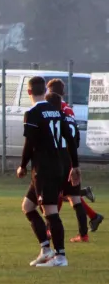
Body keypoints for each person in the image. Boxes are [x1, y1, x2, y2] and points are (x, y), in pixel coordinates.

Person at [18, 77, 81, 267]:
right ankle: (46, 249)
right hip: (58, 166)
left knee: (50, 211)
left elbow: (29, 143)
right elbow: (70, 139)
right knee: (28, 207)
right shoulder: (56, 110)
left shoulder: (33, 113)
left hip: (45, 169)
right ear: (45, 90)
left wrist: (22, 165)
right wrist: (75, 166)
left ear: (29, 92)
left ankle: (60, 256)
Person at [46, 79, 103, 237]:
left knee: (57, 193)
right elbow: (74, 135)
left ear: (49, 92)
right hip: (69, 153)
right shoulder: (69, 109)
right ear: (63, 93)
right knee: (70, 195)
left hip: (59, 154)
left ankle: (49, 228)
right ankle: (90, 221)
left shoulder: (53, 108)